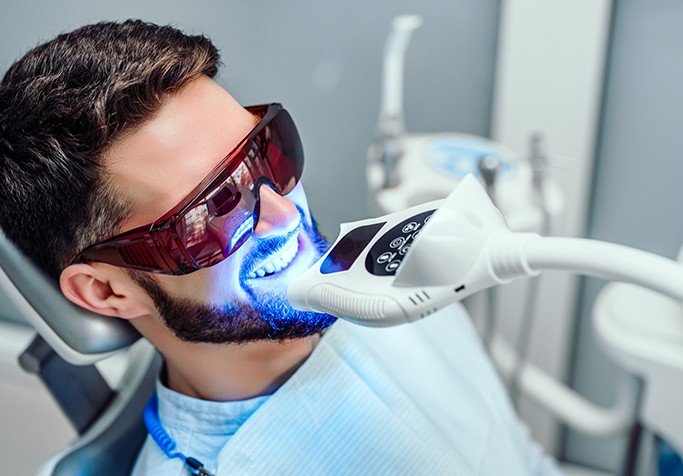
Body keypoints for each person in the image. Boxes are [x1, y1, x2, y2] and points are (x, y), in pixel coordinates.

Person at [0, 20, 561, 475]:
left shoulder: (399, 271)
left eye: (267, 153)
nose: (284, 213)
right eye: (211, 211)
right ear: (106, 290)